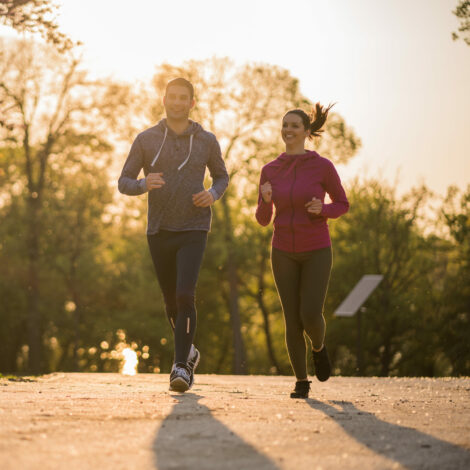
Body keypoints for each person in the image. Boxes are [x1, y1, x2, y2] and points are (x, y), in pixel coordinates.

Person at [118, 78, 229, 392]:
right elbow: (123, 181)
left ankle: (180, 366)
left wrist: (213, 194)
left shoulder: (207, 140)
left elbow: (222, 176)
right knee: (170, 302)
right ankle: (189, 351)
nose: (178, 102)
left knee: (184, 295)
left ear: (192, 103)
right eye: (173, 97)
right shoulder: (146, 139)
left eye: (184, 98)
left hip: (195, 227)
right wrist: (143, 184)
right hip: (159, 229)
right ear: (164, 100)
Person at [255, 104, 349, 399]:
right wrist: (266, 200)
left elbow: (342, 203)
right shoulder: (270, 170)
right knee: (291, 318)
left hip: (317, 248)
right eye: (285, 125)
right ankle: (301, 380)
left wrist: (324, 209)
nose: (288, 130)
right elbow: (261, 219)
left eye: (294, 126)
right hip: (282, 250)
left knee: (310, 313)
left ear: (307, 133)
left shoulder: (322, 167)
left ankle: (319, 349)